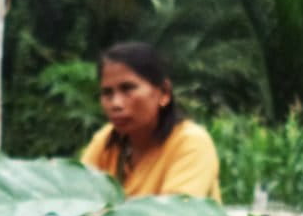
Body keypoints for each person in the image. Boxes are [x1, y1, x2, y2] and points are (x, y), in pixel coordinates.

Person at [80, 42, 222, 201]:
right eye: (107, 93)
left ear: (164, 93)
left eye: (128, 89)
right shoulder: (106, 141)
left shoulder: (191, 142)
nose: (116, 104)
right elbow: (73, 199)